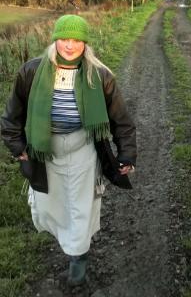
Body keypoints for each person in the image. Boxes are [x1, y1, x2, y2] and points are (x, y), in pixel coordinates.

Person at [1, 14, 136, 285]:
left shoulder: (99, 75)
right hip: (44, 151)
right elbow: (11, 117)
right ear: (55, 40)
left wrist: (127, 153)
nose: (70, 45)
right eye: (64, 38)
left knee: (81, 207)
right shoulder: (31, 72)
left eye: (76, 40)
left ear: (85, 43)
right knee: (49, 205)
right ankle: (68, 240)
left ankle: (78, 258)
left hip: (83, 149)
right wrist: (18, 149)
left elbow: (121, 120)